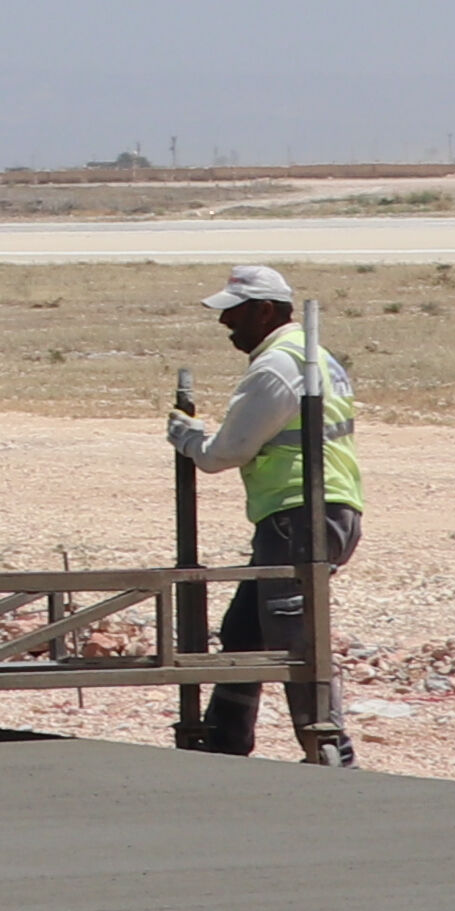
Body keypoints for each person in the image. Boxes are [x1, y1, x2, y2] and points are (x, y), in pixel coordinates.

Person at [164, 266, 363, 764]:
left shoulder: (276, 367)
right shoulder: (311, 355)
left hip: (299, 518)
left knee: (293, 640)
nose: (225, 324)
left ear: (264, 310)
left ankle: (329, 749)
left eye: (233, 313)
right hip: (319, 512)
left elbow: (222, 452)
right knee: (245, 631)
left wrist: (187, 436)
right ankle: (227, 737)